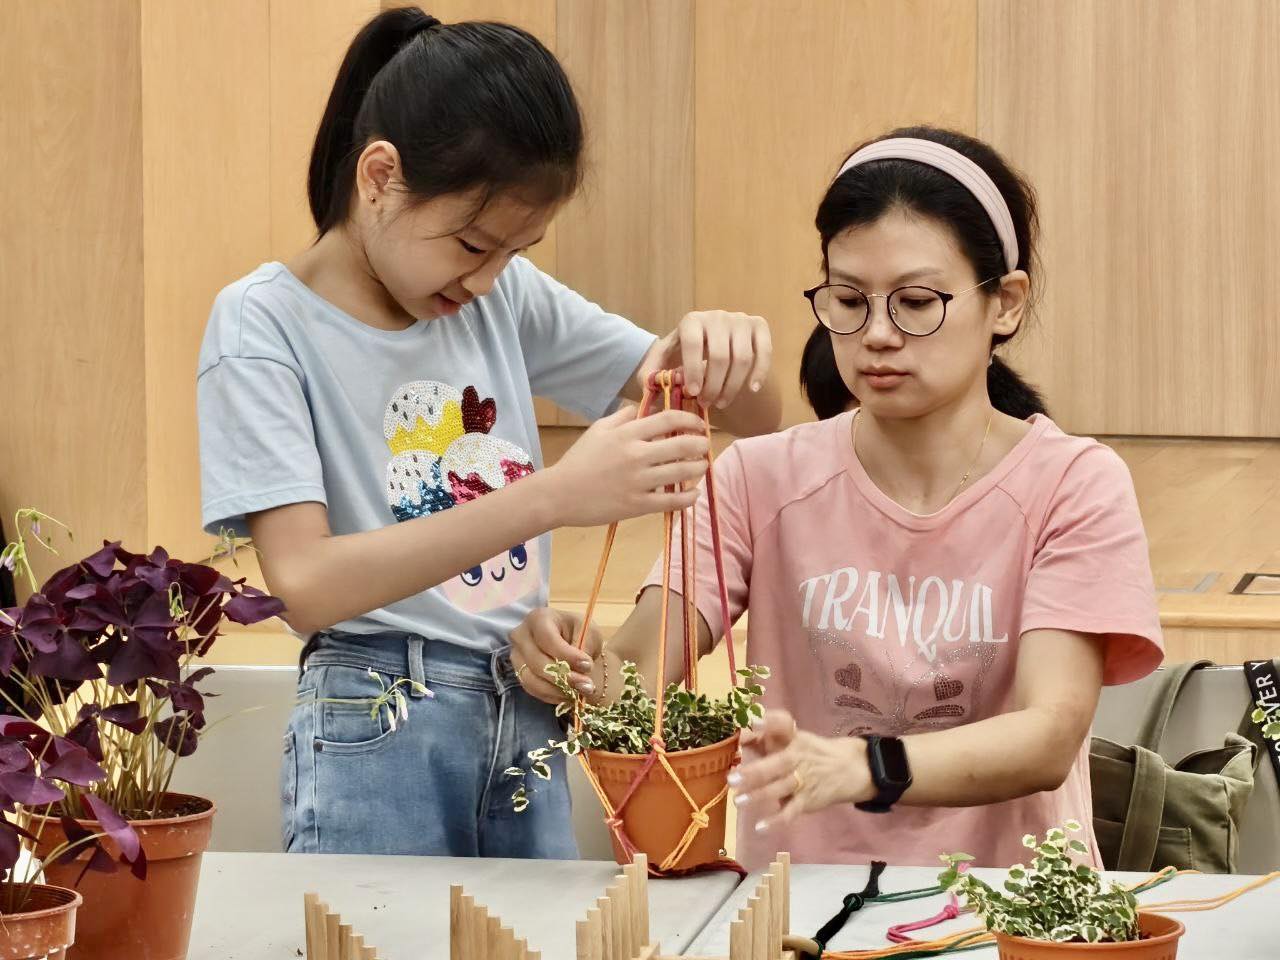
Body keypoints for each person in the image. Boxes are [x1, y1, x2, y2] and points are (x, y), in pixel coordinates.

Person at [196, 7, 780, 859]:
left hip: (523, 711)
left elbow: (750, 415)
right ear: (379, 176)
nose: (486, 278)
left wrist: (724, 347)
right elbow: (305, 584)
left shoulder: (502, 295)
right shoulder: (264, 325)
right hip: (373, 711)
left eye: (517, 249)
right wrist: (554, 498)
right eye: (472, 243)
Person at [512, 126, 1162, 870]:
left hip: (1009, 918)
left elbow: (1049, 735)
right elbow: (633, 682)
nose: (877, 335)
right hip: (802, 913)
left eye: (917, 302)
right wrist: (575, 660)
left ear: (1006, 303)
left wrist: (863, 767)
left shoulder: (1074, 483)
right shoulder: (760, 478)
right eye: (848, 299)